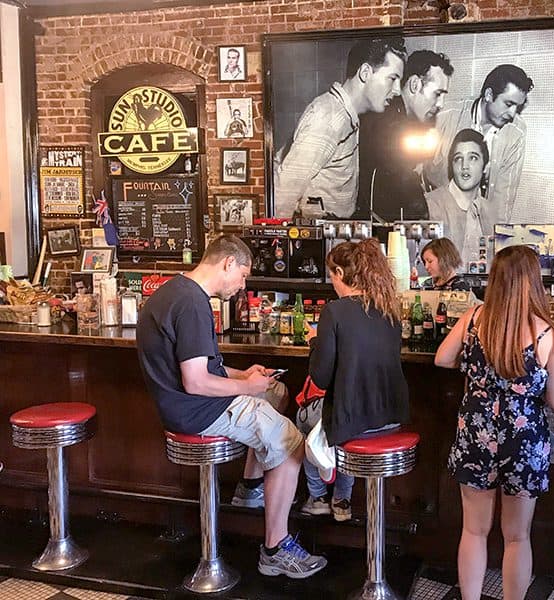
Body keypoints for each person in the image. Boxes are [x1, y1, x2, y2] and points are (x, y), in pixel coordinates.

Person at [136, 234, 327, 578]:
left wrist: (246, 377)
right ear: (228, 263)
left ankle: (250, 490)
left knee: (277, 392)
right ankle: (276, 548)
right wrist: (245, 387)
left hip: (183, 402)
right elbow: (196, 381)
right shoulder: (193, 305)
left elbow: (205, 367)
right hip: (195, 410)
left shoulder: (174, 291)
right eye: (242, 275)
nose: (242, 285)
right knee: (291, 440)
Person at [434, 245, 554, 600]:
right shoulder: (548, 335)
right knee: (517, 536)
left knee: (474, 531)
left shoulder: (475, 318)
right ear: (533, 283)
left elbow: (442, 358)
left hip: (477, 432)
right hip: (524, 439)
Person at [304, 238, 410, 522]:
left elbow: (321, 377)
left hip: (355, 423)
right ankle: (342, 498)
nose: (332, 283)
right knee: (337, 420)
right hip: (391, 419)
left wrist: (314, 342)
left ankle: (317, 497)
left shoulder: (335, 311)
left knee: (302, 421)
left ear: (340, 273)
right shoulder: (390, 308)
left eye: (331, 276)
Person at [274, 38, 406, 219]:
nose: (397, 90)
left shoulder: (343, 115)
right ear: (365, 72)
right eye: (392, 79)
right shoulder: (329, 116)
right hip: (317, 242)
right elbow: (285, 190)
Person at [424, 64, 533, 232]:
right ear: (489, 95)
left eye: (517, 107)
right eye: (508, 104)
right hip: (435, 219)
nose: (512, 114)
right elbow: (414, 172)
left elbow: (503, 201)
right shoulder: (445, 116)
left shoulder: (516, 132)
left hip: (478, 227)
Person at [357, 50, 454, 221]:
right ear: (415, 84)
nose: (440, 104)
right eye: (437, 94)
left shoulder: (404, 120)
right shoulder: (386, 121)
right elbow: (404, 183)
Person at [425, 129, 488, 264]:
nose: (464, 166)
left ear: (485, 167)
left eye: (473, 158)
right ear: (451, 165)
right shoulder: (430, 204)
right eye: (458, 158)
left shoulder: (491, 211)